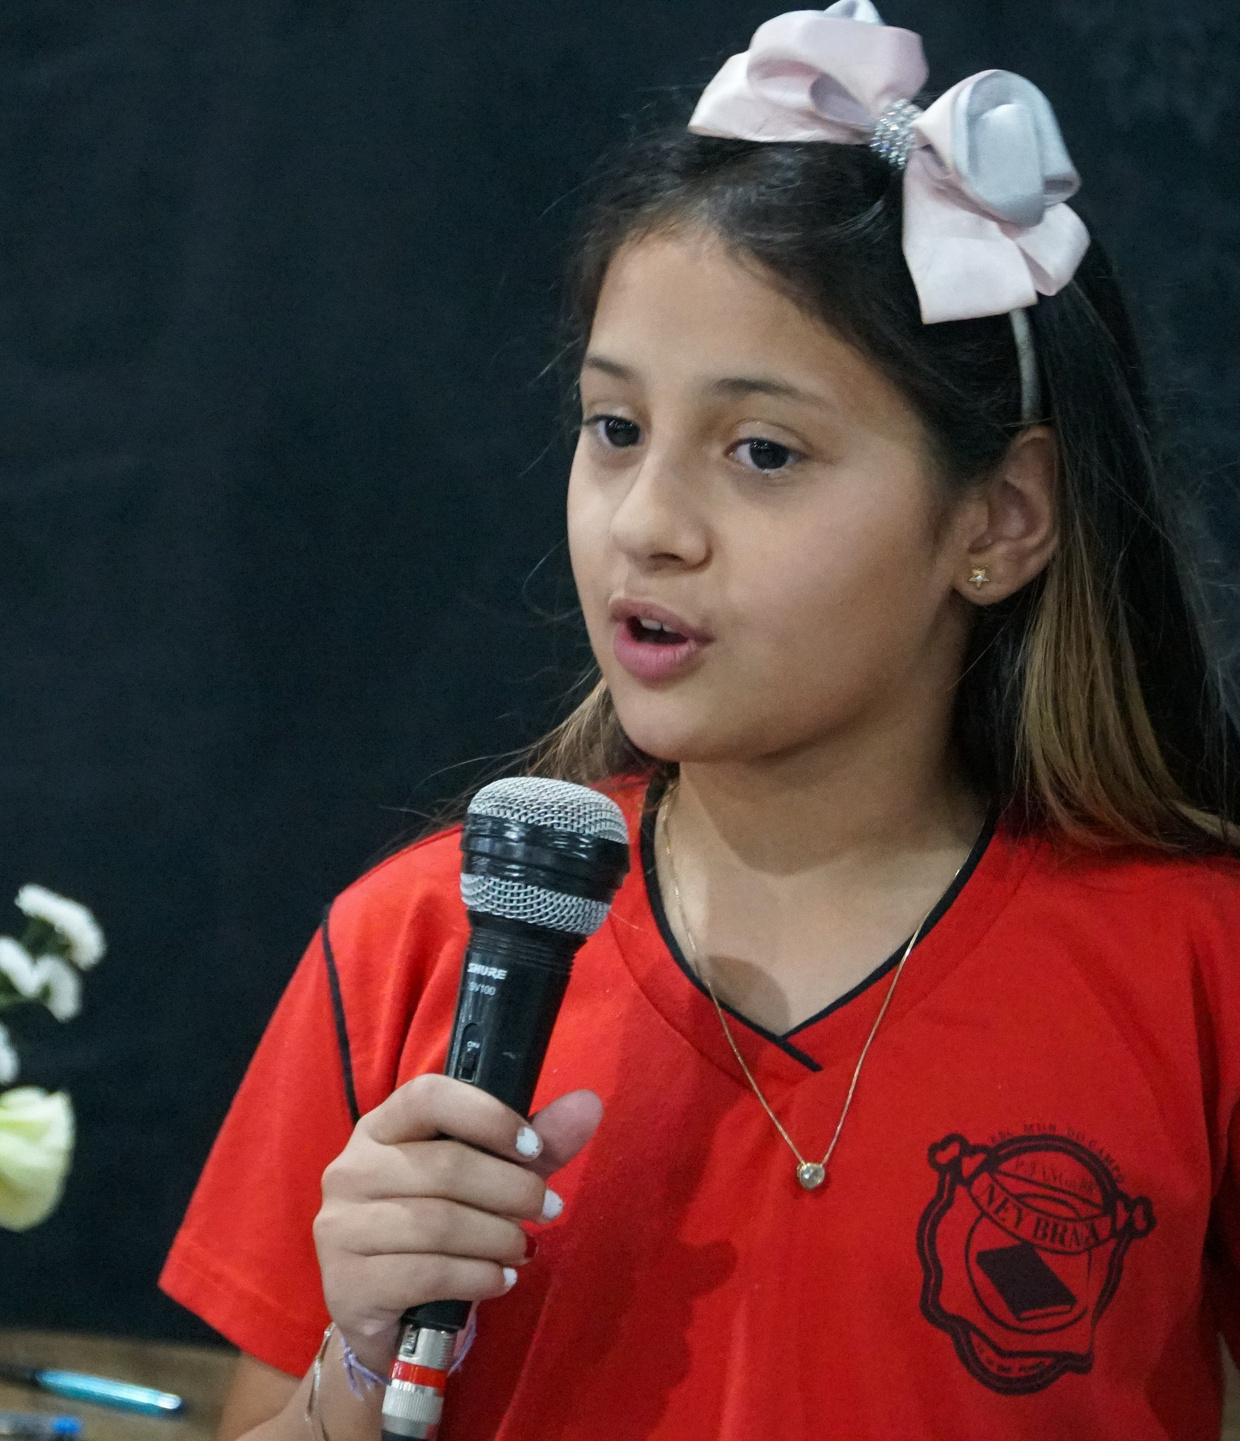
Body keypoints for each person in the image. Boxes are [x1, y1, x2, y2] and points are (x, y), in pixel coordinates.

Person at [164, 4, 1240, 1437]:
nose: (650, 525)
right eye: (614, 429)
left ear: (1002, 517)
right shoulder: (409, 943)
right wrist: (356, 1357)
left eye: (763, 452)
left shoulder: (1195, 963)